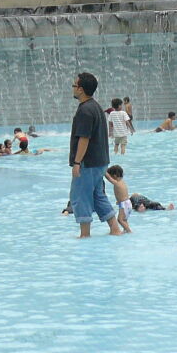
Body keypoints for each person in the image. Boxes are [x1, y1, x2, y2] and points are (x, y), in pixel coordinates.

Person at [68, 71, 122, 238]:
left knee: (80, 196)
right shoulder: (96, 106)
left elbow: (84, 138)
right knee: (98, 195)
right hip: (100, 162)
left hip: (88, 163)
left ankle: (85, 235)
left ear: (81, 89)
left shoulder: (85, 110)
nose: (73, 88)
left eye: (74, 86)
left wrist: (77, 163)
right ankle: (115, 229)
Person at [104, 165, 133, 233]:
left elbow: (108, 178)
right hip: (128, 203)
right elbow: (122, 194)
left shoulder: (117, 183)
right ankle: (125, 230)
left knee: (120, 220)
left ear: (114, 176)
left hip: (124, 204)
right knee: (124, 219)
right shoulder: (122, 182)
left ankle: (129, 231)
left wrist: (103, 171)